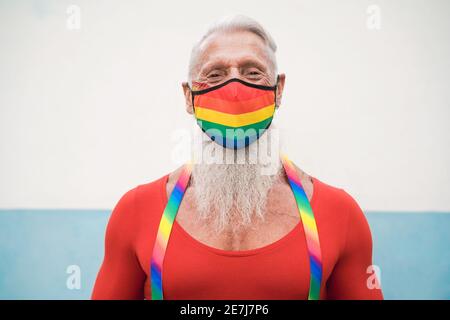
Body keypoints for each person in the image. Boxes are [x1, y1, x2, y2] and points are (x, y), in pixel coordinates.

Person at [91, 14, 383, 300]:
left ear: (278, 90)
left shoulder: (340, 214)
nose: (234, 89)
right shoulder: (135, 213)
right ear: (188, 97)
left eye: (252, 72)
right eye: (215, 74)